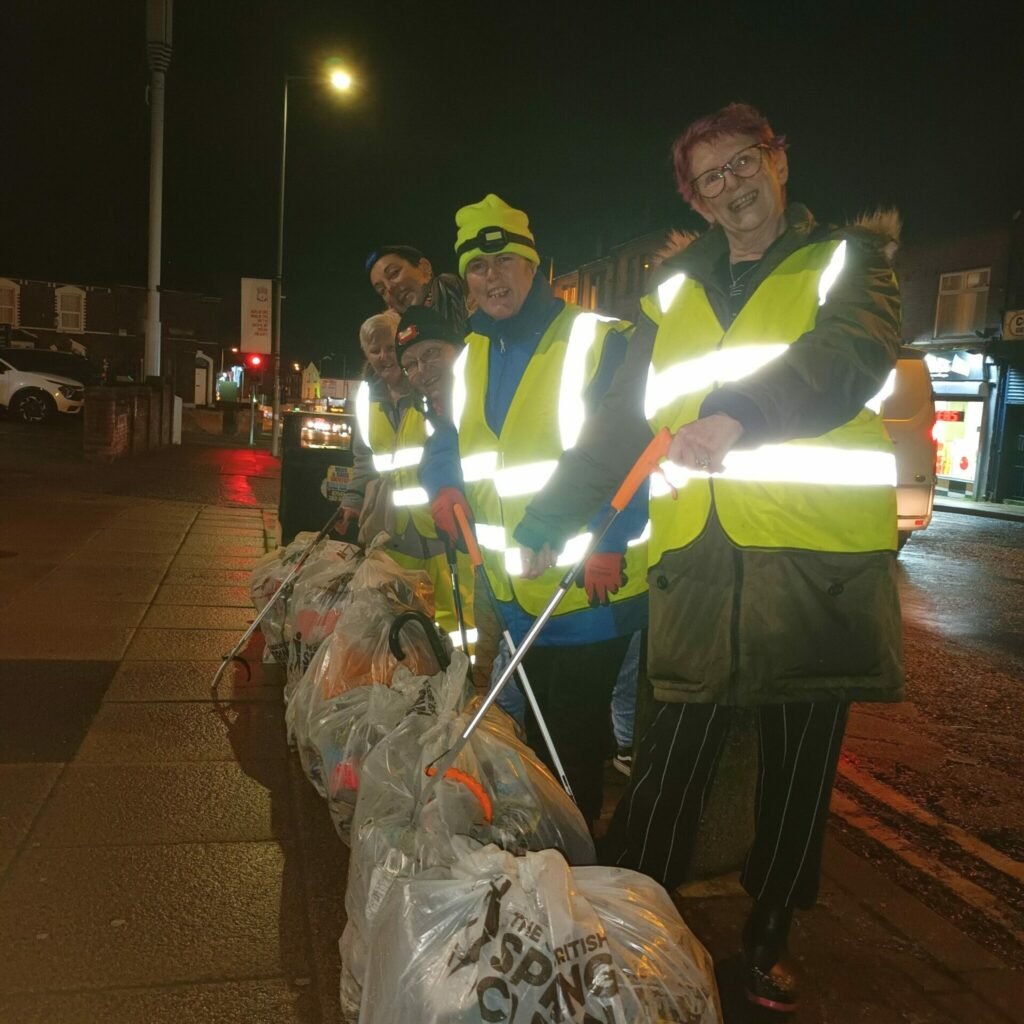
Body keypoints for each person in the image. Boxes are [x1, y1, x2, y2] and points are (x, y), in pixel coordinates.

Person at [513, 103, 904, 1013]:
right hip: (697, 560)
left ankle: (767, 938)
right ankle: (618, 932)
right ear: (694, 196)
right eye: (711, 177)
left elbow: (850, 354)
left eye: (744, 163)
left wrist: (742, 413)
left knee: (798, 772)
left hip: (816, 563)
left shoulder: (848, 261)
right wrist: (550, 514)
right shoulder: (670, 292)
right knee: (665, 763)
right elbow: (618, 421)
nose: (733, 187)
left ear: (779, 161)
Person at [424, 193, 650, 828]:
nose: (492, 278)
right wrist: (442, 482)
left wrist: (614, 535)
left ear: (535, 266)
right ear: (465, 279)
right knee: (539, 732)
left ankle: (577, 863)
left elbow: (634, 443)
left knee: (572, 738)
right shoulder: (470, 357)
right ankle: (557, 842)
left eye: (505, 261)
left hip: (587, 586)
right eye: (478, 267)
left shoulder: (598, 340)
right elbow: (447, 439)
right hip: (515, 586)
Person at [341, 310, 465, 647]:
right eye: (374, 350)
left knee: (454, 621)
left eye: (389, 347)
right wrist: (352, 501)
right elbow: (364, 456)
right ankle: (410, 686)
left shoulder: (432, 391)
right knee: (396, 617)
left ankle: (458, 686)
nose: (384, 356)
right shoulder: (368, 398)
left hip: (442, 529)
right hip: (392, 531)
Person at [365, 244, 468, 330]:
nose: (389, 288)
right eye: (382, 290)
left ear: (425, 268)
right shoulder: (403, 341)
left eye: (394, 273)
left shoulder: (473, 300)